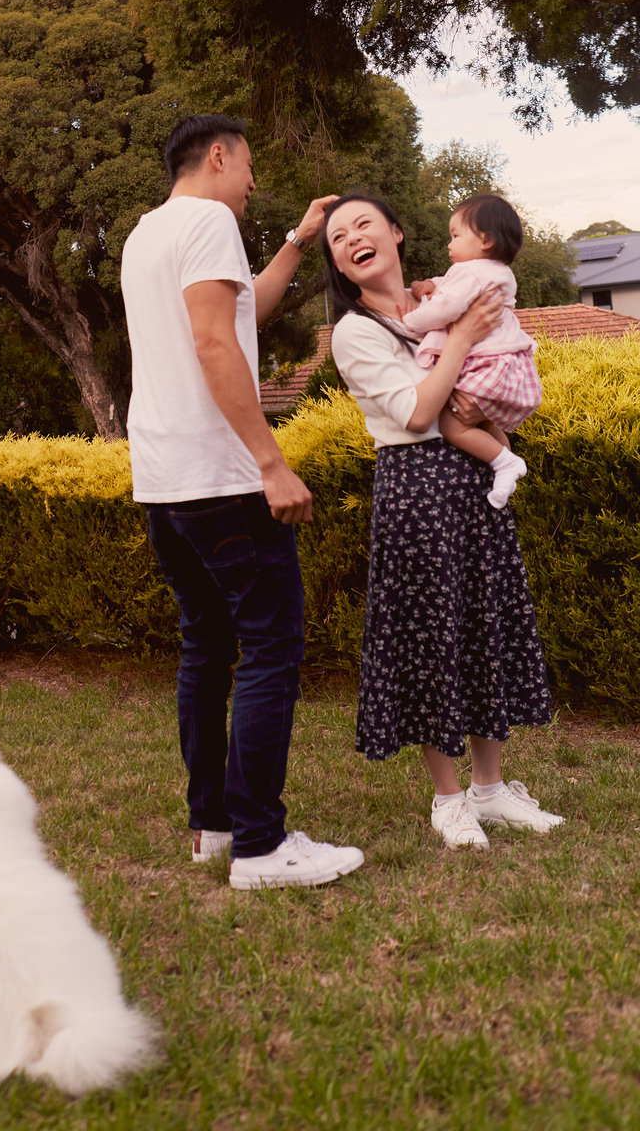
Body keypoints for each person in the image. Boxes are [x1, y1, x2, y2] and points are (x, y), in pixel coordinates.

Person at [120, 115, 364, 890]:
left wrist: (296, 240)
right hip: (221, 476)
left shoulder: (146, 235)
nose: (254, 182)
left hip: (163, 480)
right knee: (271, 644)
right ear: (218, 157)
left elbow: (238, 315)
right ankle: (261, 846)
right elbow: (214, 344)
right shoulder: (210, 222)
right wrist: (270, 461)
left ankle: (215, 827)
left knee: (206, 645)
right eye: (250, 166)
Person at [323, 192, 563, 850]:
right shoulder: (356, 331)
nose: (353, 238)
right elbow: (421, 411)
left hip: (473, 481)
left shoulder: (445, 295)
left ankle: (490, 789)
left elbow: (485, 385)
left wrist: (481, 397)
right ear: (339, 265)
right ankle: (449, 799)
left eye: (365, 224)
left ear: (396, 233)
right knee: (431, 637)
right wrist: (459, 340)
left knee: (483, 624)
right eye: (339, 237)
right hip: (417, 489)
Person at [402, 194, 541, 510]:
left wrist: (410, 320)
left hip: (488, 364)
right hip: (508, 363)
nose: (449, 244)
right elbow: (452, 286)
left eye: (455, 235)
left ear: (486, 240)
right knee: (485, 422)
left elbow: (445, 308)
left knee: (453, 425)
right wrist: (431, 284)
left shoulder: (471, 273)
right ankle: (505, 468)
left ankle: (506, 463)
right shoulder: (495, 271)